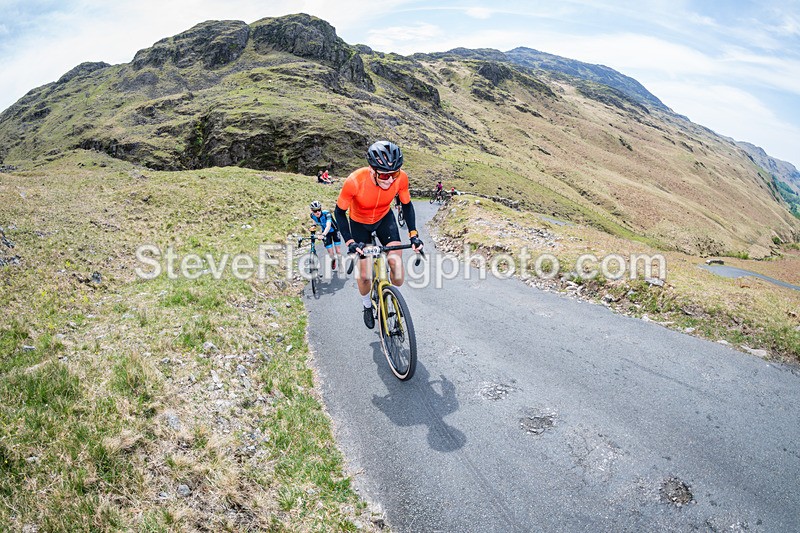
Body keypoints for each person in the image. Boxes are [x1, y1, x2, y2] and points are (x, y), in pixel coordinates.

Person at [334, 140, 423, 329]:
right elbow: (339, 213)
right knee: (365, 275)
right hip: (359, 224)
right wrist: (350, 241)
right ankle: (367, 305)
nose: (390, 180)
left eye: (394, 174)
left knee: (397, 269)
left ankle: (391, 296)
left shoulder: (401, 179)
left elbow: (406, 205)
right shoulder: (355, 181)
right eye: (384, 174)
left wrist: (413, 235)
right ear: (372, 169)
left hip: (384, 219)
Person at [309, 200, 342, 270]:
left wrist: (323, 235)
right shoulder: (312, 216)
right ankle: (333, 260)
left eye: (319, 210)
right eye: (315, 211)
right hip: (326, 233)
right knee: (331, 253)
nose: (317, 212)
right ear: (312, 211)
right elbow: (315, 221)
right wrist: (313, 226)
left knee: (338, 251)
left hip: (335, 231)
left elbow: (328, 226)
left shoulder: (327, 214)